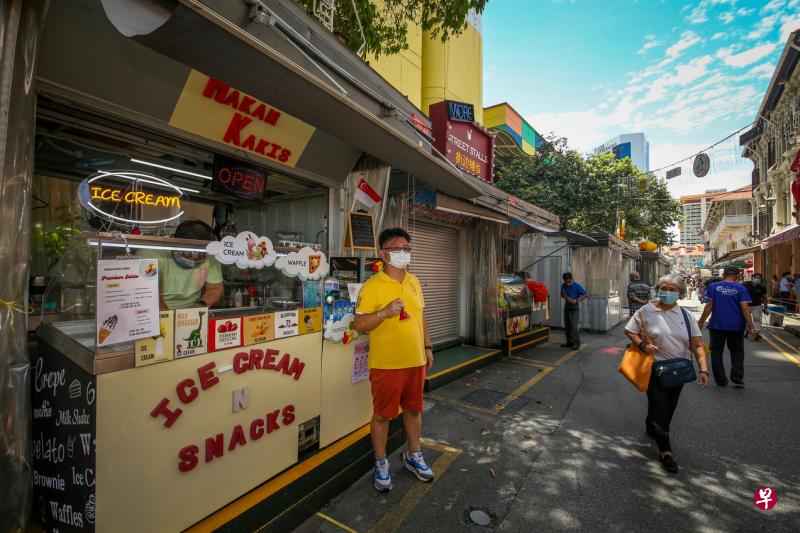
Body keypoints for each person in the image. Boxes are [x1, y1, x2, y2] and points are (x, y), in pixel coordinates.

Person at [354, 228, 434, 492]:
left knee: (414, 410)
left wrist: (428, 347)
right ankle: (380, 462)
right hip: (386, 364)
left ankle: (414, 455)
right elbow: (359, 324)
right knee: (382, 416)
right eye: (398, 248)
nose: (404, 252)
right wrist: (384, 313)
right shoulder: (372, 286)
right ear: (384, 253)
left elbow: (421, 316)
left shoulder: (414, 281)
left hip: (416, 360)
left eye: (407, 248)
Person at [624, 274, 709, 474]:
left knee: (668, 407)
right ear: (658, 289)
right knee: (660, 406)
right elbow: (630, 331)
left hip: (678, 369)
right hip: (653, 367)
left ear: (680, 292)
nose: (667, 292)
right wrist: (642, 344)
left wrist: (703, 369)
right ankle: (666, 451)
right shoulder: (646, 311)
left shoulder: (686, 316)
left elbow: (697, 345)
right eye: (664, 288)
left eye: (673, 289)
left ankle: (651, 423)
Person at [698, 265, 756, 387]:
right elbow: (745, 307)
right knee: (737, 351)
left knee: (716, 352)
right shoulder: (741, 289)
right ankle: (737, 377)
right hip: (736, 327)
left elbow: (709, 305)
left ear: (724, 274)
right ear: (737, 275)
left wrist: (701, 321)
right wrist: (751, 326)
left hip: (716, 325)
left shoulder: (713, 287)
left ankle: (721, 380)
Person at [145, 220, 223, 310]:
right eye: (187, 253)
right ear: (175, 242)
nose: (194, 257)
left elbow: (216, 288)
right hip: (155, 311)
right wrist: (171, 317)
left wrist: (200, 306)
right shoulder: (151, 254)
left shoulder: (209, 253)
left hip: (192, 309)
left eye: (200, 255)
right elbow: (147, 293)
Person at [560, 272, 587, 349]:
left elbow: (585, 294)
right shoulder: (563, 285)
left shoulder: (576, 286)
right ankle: (569, 342)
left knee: (574, 327)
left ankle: (577, 343)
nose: (567, 283)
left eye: (568, 281)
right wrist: (567, 298)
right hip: (567, 307)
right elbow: (561, 294)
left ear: (571, 279)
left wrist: (577, 300)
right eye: (565, 281)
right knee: (567, 326)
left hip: (574, 308)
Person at [743, 273, 768, 340]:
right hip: (746, 305)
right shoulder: (745, 285)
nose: (757, 279)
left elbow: (765, 298)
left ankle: (756, 333)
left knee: (757, 319)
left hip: (757, 306)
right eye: (756, 277)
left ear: (761, 279)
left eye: (759, 278)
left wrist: (765, 307)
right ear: (752, 278)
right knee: (746, 319)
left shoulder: (762, 287)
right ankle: (747, 331)